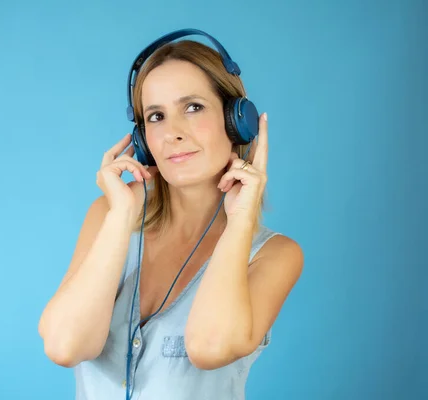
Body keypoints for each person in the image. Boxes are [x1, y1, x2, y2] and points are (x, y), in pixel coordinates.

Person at [38, 29, 304, 400]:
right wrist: (120, 217)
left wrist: (240, 220)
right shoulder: (109, 215)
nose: (171, 133)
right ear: (142, 138)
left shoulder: (276, 255)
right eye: (156, 116)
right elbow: (65, 345)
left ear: (236, 121)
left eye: (192, 107)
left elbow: (211, 347)